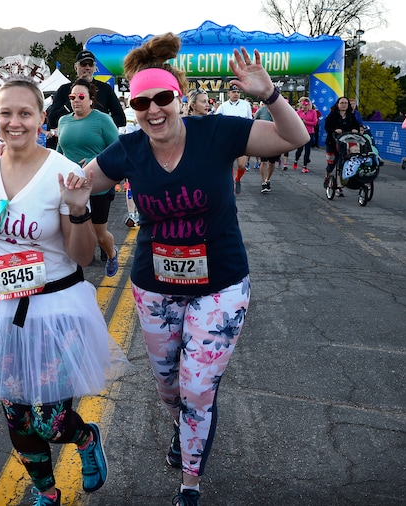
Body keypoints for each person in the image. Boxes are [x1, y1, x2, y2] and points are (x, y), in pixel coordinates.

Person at [80, 33, 308, 506]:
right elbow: (75, 180)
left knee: (197, 387)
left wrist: (270, 96)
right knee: (169, 388)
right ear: (133, 105)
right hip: (155, 288)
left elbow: (295, 137)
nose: (154, 109)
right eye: (142, 101)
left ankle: (190, 482)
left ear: (179, 98)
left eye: (163, 97)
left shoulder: (219, 132)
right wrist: (9, 155)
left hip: (220, 285)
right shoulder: (128, 149)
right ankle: (185, 431)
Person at [0, 74, 126, 506]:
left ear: (42, 119)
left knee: (49, 420)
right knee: (15, 414)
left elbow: (83, 255)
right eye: (6, 113)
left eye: (25, 113)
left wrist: (77, 210)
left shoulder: (64, 172)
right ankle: (45, 490)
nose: (15, 122)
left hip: (54, 307)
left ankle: (86, 438)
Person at [57, 78, 120, 276]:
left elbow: (117, 147)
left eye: (81, 96)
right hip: (71, 186)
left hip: (97, 183)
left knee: (99, 235)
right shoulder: (63, 120)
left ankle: (111, 253)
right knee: (71, 232)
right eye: (72, 97)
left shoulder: (102, 120)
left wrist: (94, 159)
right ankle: (71, 273)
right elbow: (60, 149)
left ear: (91, 99)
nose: (76, 100)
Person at [46, 50, 126, 149]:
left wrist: (100, 125)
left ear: (94, 67)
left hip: (96, 147)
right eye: (83, 64)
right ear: (76, 66)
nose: (87, 67)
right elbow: (52, 120)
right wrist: (69, 105)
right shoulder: (64, 89)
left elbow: (120, 118)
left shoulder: (105, 89)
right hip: (70, 144)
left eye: (90, 64)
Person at [215, 85, 253, 194]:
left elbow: (250, 120)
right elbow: (217, 122)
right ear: (229, 94)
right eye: (234, 92)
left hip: (242, 138)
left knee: (242, 164)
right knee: (228, 164)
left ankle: (238, 179)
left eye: (238, 92)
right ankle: (231, 183)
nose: (236, 94)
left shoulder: (245, 105)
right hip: (227, 139)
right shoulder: (223, 106)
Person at [324, 96, 361, 197]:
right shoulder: (332, 115)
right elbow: (327, 127)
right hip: (332, 142)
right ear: (338, 104)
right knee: (331, 164)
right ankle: (327, 176)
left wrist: (355, 129)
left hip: (345, 144)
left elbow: (357, 126)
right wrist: (334, 130)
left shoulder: (351, 116)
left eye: (346, 103)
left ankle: (339, 186)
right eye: (342, 103)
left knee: (342, 163)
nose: (344, 105)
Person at [253, 101, 280, 192]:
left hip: (276, 140)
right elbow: (254, 121)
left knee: (272, 163)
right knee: (263, 161)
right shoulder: (261, 110)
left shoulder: (279, 111)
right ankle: (263, 182)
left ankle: (268, 179)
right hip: (263, 139)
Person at [292, 97, 318, 173]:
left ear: (309, 105)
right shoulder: (298, 112)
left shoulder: (313, 112)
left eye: (307, 105)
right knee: (299, 149)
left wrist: (306, 122)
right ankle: (296, 160)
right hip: (301, 133)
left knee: (307, 150)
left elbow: (314, 123)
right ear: (301, 105)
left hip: (310, 133)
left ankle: (305, 166)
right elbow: (295, 122)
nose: (305, 107)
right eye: (304, 105)